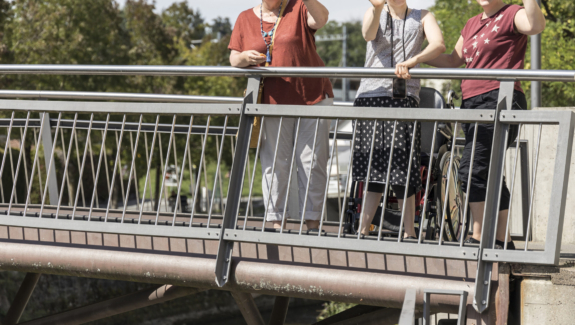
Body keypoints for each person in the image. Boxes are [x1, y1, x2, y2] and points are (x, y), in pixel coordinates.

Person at [425, 0, 545, 248]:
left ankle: (478, 236)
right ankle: (503, 240)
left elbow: (534, 25)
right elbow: (451, 61)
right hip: (471, 102)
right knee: (488, 171)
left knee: (471, 168)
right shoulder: (471, 24)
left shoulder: (513, 13)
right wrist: (416, 58)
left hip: (499, 99)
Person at [228, 0, 333, 230]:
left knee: (312, 162)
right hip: (271, 100)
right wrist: (245, 58)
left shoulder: (299, 7)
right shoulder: (245, 17)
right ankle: (276, 222)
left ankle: (313, 224)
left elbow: (322, 19)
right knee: (275, 162)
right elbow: (234, 58)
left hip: (312, 95)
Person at [354, 0, 445, 238]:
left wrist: (415, 60)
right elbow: (367, 34)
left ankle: (409, 232)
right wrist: (375, 8)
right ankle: (363, 230)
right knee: (373, 167)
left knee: (403, 167)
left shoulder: (423, 16)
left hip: (403, 97)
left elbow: (439, 45)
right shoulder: (375, 12)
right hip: (371, 96)